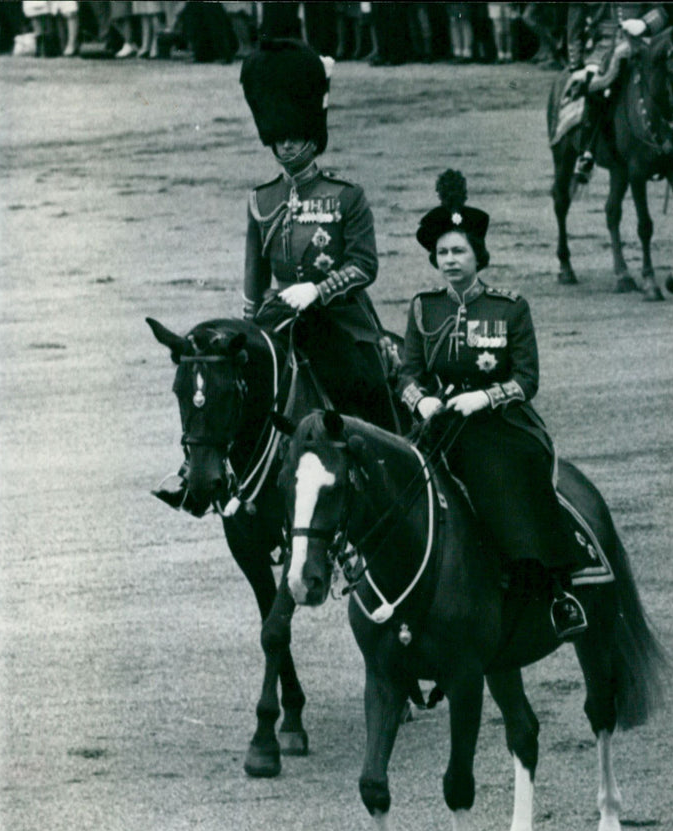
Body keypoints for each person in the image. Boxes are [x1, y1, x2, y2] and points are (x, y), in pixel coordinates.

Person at [154, 38, 399, 512]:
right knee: (224, 383)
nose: (286, 145)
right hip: (277, 317)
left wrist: (319, 289)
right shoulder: (261, 199)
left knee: (362, 381)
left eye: (295, 137)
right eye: (279, 138)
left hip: (340, 319)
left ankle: (384, 468)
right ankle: (205, 474)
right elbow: (255, 273)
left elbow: (364, 265)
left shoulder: (346, 196)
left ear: (313, 138)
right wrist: (249, 323)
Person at [396, 170, 588, 640]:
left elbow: (527, 379)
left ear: (478, 255)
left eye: (459, 251)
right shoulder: (424, 308)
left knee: (504, 467)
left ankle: (549, 584)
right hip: (437, 423)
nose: (450, 260)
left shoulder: (510, 307)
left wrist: (483, 396)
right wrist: (421, 402)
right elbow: (405, 373)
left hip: (499, 422)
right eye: (442, 252)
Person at [567, 3, 673, 183]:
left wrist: (644, 24)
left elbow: (660, 11)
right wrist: (576, 65)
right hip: (602, 48)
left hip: (642, 42)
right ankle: (587, 152)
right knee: (595, 87)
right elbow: (574, 25)